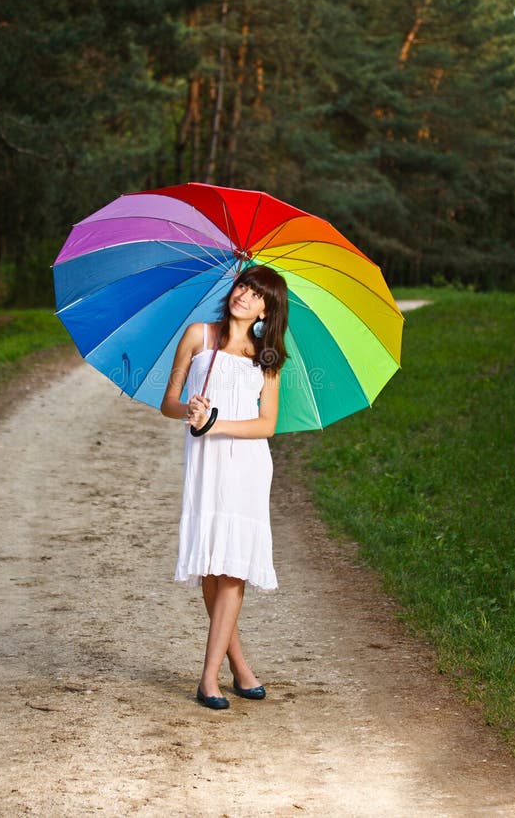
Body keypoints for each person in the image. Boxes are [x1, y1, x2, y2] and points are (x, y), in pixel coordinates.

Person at [160, 264, 289, 710]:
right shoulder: (199, 336)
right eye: (243, 286)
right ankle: (239, 666)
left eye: (257, 295)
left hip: (247, 467)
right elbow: (168, 402)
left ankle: (208, 678)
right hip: (205, 465)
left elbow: (267, 425)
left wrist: (216, 423)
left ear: (267, 310)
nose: (245, 296)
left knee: (233, 568)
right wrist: (190, 410)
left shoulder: (267, 357)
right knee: (212, 568)